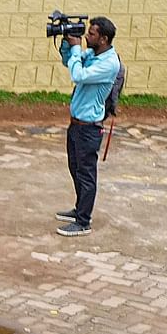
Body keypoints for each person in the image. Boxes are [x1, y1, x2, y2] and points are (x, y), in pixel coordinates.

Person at [54, 15, 121, 238]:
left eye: (91, 34)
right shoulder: (93, 53)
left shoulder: (109, 63)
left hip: (89, 128)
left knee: (86, 174)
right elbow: (69, 62)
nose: (86, 37)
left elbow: (78, 74)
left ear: (103, 38)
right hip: (77, 125)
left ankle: (83, 222)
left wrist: (75, 50)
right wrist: (67, 44)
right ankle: (79, 210)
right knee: (75, 168)